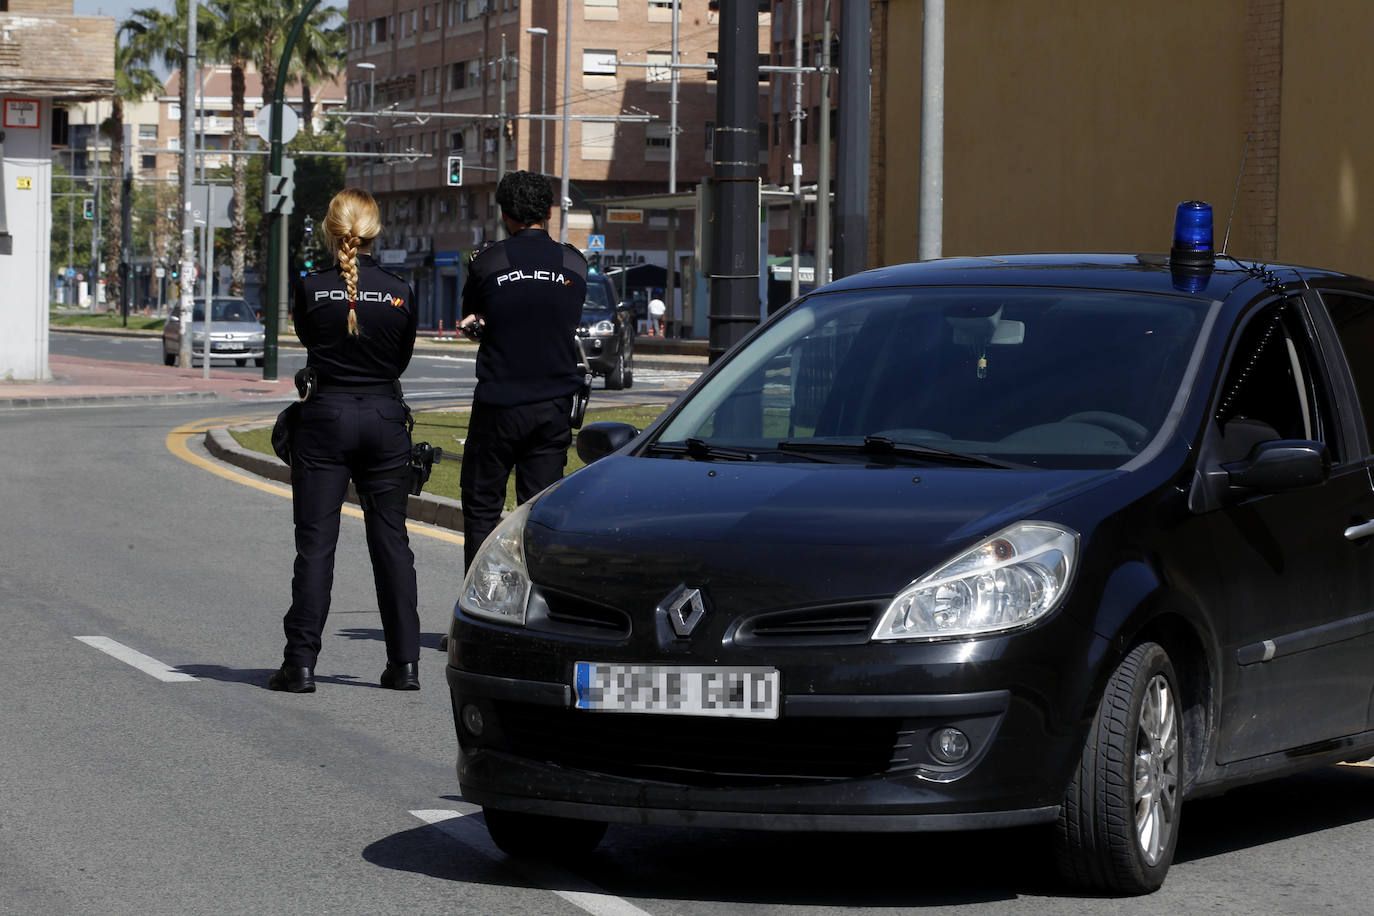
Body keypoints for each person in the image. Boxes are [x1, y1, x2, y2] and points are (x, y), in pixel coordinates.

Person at [268, 187, 422, 694]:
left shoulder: (311, 288)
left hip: (325, 418)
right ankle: (404, 664)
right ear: (375, 232)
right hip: (383, 418)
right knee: (392, 544)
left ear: (330, 231)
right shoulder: (401, 289)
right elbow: (399, 360)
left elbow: (310, 341)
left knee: (315, 547)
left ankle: (301, 664)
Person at [457, 170, 587, 571]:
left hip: (499, 404)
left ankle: (476, 616)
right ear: (548, 212)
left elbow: (473, 314)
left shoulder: (487, 262)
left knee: (482, 510)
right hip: (552, 408)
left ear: (505, 215)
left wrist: (480, 324)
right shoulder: (574, 263)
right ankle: (536, 621)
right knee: (541, 516)